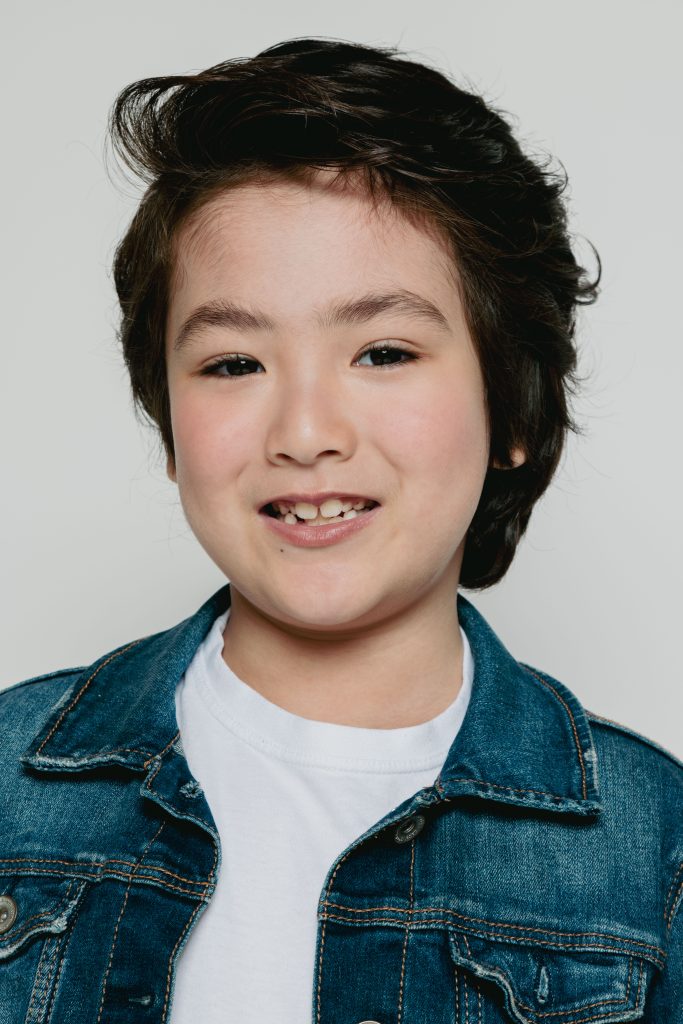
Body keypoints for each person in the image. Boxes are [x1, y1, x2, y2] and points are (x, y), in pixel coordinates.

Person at [1, 36, 681, 1024]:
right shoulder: (10, 784)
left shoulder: (651, 846)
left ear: (513, 410)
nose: (305, 432)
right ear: (170, 428)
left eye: (383, 352)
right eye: (233, 364)